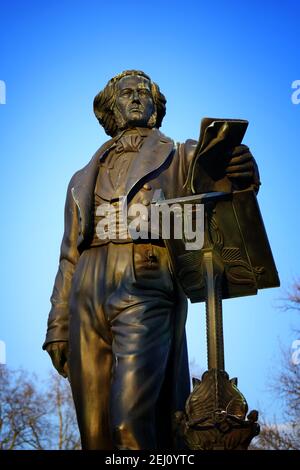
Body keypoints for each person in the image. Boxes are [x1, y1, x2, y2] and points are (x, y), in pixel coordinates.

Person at [43, 70, 260, 450]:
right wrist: (58, 324)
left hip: (147, 274)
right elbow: (68, 253)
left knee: (131, 424)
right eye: (126, 93)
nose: (136, 98)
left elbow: (223, 180)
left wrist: (242, 171)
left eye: (144, 93)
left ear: (156, 109)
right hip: (87, 287)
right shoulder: (80, 177)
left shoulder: (180, 154)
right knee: (94, 434)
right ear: (111, 108)